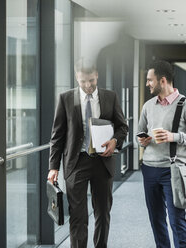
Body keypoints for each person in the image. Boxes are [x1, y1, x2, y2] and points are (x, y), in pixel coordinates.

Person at [47, 58, 128, 248]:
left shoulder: (110, 97)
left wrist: (115, 140)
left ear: (97, 75)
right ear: (77, 77)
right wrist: (53, 167)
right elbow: (57, 136)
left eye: (91, 80)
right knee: (78, 216)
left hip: (103, 162)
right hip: (76, 163)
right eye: (83, 81)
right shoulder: (66, 98)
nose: (88, 85)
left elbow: (123, 127)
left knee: (102, 213)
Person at [137, 60, 186, 248]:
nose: (147, 84)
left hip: (173, 170)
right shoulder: (148, 106)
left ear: (162, 81)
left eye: (149, 80)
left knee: (177, 221)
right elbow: (140, 133)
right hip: (149, 169)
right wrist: (143, 140)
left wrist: (173, 136)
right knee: (156, 220)